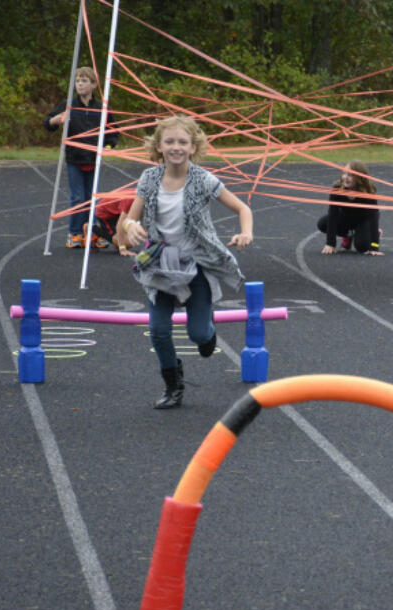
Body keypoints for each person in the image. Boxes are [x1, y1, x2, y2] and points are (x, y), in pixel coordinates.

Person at [121, 115, 253, 409]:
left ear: (193, 147)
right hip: (160, 265)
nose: (176, 147)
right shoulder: (149, 178)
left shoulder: (204, 180)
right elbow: (131, 216)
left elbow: (242, 208)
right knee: (158, 330)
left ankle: (207, 328)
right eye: (169, 142)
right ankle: (173, 385)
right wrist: (130, 227)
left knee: (198, 336)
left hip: (196, 265)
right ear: (159, 146)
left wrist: (246, 232)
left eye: (182, 142)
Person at [44, 67, 120, 249]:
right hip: (74, 159)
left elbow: (113, 131)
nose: (80, 84)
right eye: (78, 81)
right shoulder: (69, 105)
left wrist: (108, 147)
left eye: (84, 81)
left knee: (92, 197)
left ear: (93, 84)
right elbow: (47, 122)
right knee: (78, 197)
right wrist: (57, 120)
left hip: (94, 158)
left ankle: (94, 232)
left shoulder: (101, 108)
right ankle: (75, 233)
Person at [316, 161, 383, 255]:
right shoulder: (338, 188)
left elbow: (373, 219)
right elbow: (333, 215)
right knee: (322, 224)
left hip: (362, 221)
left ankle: (374, 233)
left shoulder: (368, 193)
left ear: (359, 177)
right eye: (344, 173)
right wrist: (330, 244)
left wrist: (374, 247)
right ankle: (348, 235)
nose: (345, 178)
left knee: (362, 247)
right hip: (345, 218)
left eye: (350, 175)